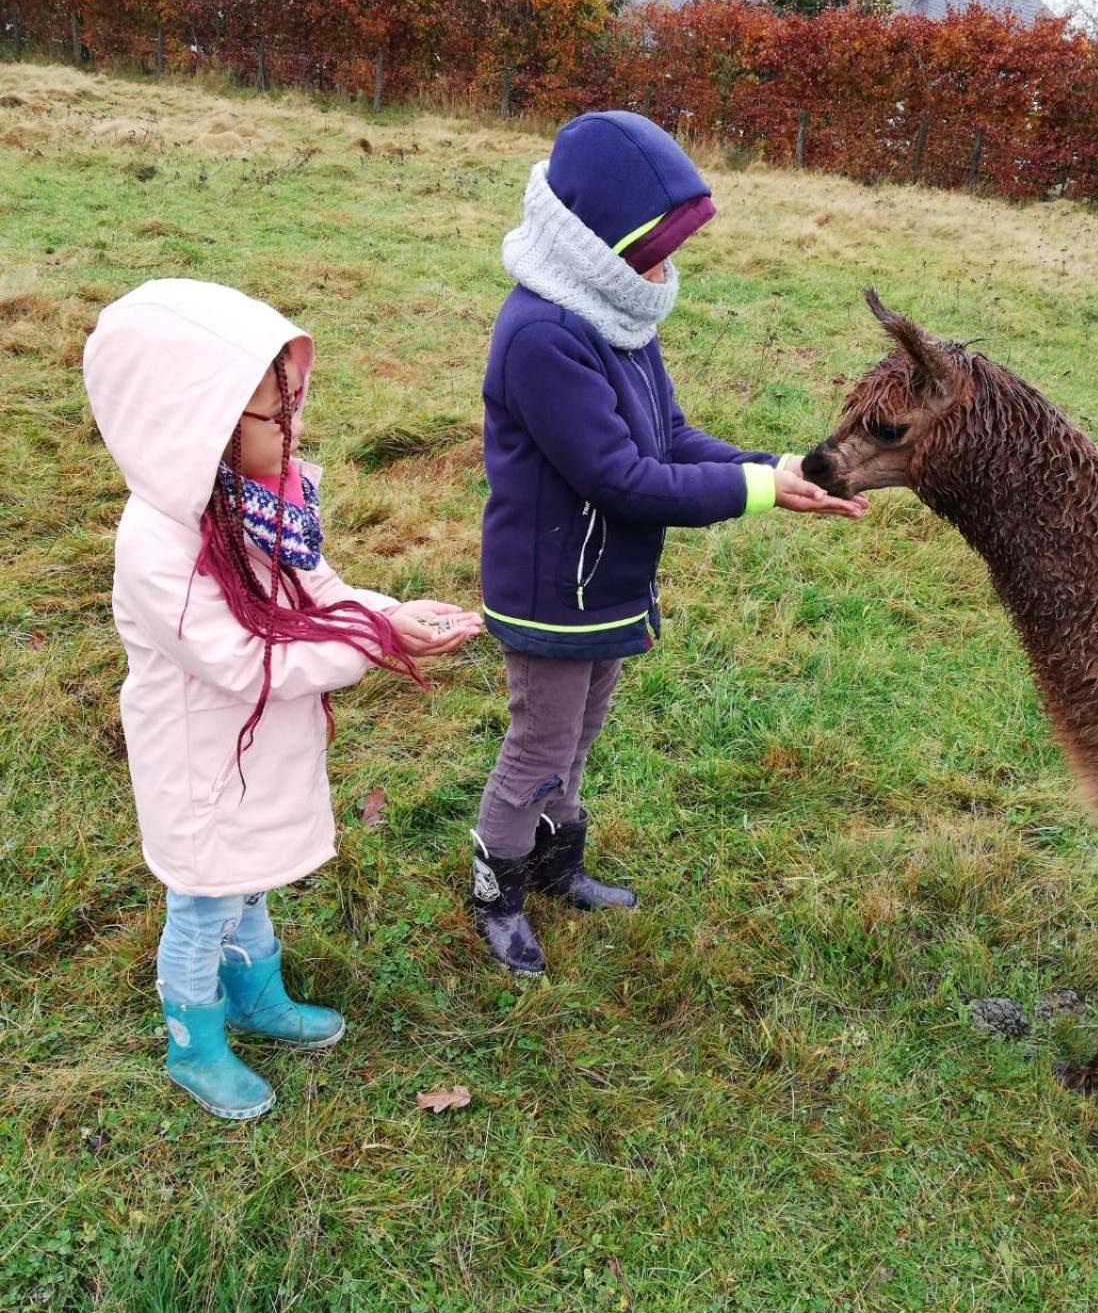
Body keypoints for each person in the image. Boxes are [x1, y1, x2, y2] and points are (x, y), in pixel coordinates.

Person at [470, 112, 866, 976]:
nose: (663, 270)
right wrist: (756, 492)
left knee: (579, 736)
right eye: (650, 249)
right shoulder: (544, 336)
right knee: (538, 745)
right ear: (593, 240)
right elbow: (622, 476)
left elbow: (672, 437)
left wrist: (774, 465)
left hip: (604, 581)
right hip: (551, 592)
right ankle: (495, 890)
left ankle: (555, 863)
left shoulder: (617, 316)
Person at [84, 278, 481, 1119]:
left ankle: (257, 994)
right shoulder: (158, 543)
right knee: (204, 894)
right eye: (277, 415)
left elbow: (317, 588)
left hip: (254, 744)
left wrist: (386, 614)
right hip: (199, 752)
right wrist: (371, 643)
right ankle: (193, 1035)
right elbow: (240, 660)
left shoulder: (261, 506)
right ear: (206, 429)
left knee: (250, 873)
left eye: (292, 406)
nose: (293, 428)